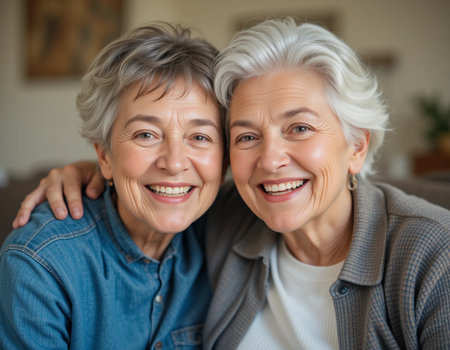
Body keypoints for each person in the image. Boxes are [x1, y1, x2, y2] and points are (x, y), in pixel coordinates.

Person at [11, 18, 450, 349]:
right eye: (246, 137)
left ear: (357, 146)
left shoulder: (432, 256)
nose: (271, 160)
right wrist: (88, 171)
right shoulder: (225, 223)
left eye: (299, 128)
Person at [0, 22, 225, 349]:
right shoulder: (41, 262)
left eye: (200, 137)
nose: (174, 162)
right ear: (103, 154)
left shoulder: (229, 232)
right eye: (146, 134)